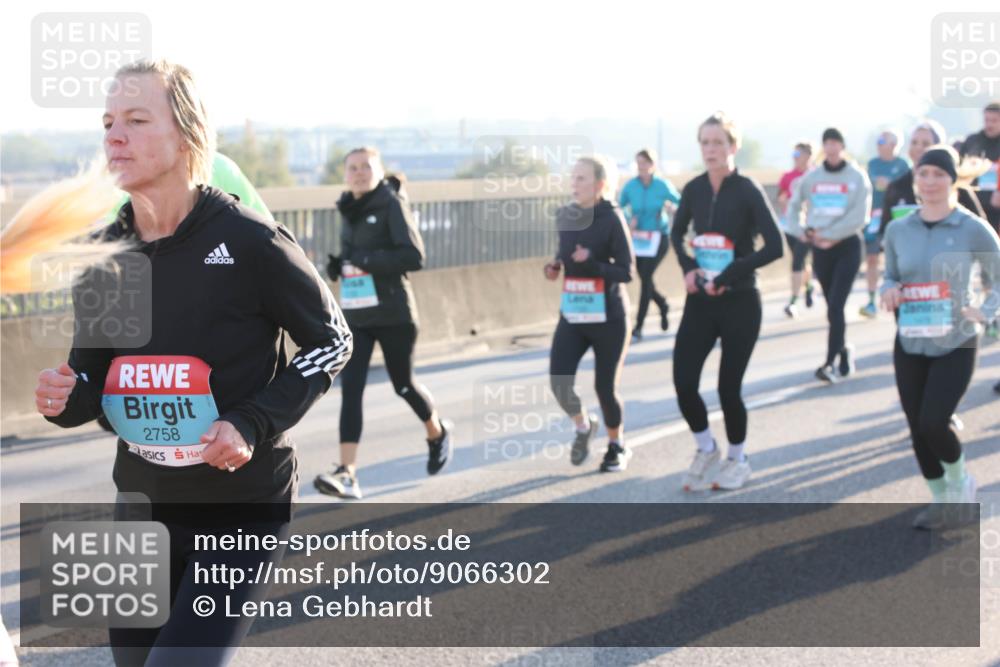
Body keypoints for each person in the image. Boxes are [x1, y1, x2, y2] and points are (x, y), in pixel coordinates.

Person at [34, 59, 353, 666]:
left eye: (134, 119)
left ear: (185, 135)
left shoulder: (249, 240)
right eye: (107, 123)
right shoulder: (107, 258)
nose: (113, 137)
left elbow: (332, 340)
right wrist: (64, 395)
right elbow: (93, 379)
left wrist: (251, 422)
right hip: (141, 508)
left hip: (237, 513)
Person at [314, 148, 451, 500]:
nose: (359, 173)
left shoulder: (391, 203)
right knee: (351, 389)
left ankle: (436, 432)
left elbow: (414, 256)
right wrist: (339, 265)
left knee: (403, 385)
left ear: (379, 170)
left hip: (394, 314)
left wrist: (363, 259)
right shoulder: (348, 206)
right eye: (353, 168)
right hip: (357, 316)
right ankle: (347, 473)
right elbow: (353, 256)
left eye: (366, 167)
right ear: (345, 174)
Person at [880, 145, 1000, 529]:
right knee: (916, 426)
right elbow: (891, 274)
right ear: (915, 179)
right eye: (924, 173)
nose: (930, 182)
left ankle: (959, 482)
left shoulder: (971, 227)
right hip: (911, 339)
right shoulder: (899, 229)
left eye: (939, 174)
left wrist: (986, 310)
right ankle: (940, 500)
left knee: (935, 421)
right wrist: (888, 289)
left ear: (953, 180)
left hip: (957, 339)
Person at [671, 113, 783, 491]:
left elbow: (775, 247)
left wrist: (730, 274)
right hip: (701, 299)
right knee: (684, 381)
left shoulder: (747, 190)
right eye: (704, 142)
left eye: (718, 142)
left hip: (740, 300)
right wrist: (689, 269)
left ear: (733, 147)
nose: (710, 150)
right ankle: (706, 448)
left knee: (727, 388)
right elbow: (676, 234)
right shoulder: (694, 189)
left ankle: (738, 458)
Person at [545, 156, 635, 472]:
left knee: (605, 388)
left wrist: (593, 261)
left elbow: (626, 272)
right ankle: (583, 426)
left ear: (599, 184)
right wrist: (555, 265)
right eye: (573, 177)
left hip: (609, 316)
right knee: (559, 380)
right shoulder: (565, 216)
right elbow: (564, 252)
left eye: (582, 178)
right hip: (574, 313)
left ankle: (616, 445)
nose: (575, 184)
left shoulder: (611, 218)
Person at [786, 128, 872, 383]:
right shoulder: (812, 178)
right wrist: (800, 231)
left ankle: (829, 362)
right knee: (832, 308)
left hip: (847, 246)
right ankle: (844, 349)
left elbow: (861, 216)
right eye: (828, 143)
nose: (832, 147)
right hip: (821, 250)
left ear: (842, 146)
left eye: (836, 143)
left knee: (836, 304)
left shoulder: (856, 177)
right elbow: (793, 206)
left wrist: (832, 234)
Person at [618, 149, 681, 339]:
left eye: (644, 163)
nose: (641, 167)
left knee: (646, 278)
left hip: (658, 237)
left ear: (652, 165)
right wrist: (630, 219)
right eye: (638, 163)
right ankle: (662, 304)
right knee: (643, 277)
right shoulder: (631, 186)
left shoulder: (662, 185)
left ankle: (639, 326)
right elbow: (620, 207)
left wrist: (670, 208)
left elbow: (681, 203)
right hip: (638, 239)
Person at [860, 129, 909, 318]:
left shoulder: (903, 165)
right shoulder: (872, 164)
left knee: (898, 260)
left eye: (883, 141)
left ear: (894, 145)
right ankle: (871, 301)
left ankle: (903, 295)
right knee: (871, 258)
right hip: (874, 218)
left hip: (896, 217)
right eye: (878, 141)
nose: (879, 145)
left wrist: (891, 185)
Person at [778, 142, 816, 318]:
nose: (795, 158)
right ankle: (808, 285)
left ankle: (792, 301)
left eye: (798, 154)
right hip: (789, 225)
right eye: (793, 154)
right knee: (799, 261)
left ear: (808, 156)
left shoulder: (816, 175)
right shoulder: (787, 176)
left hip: (808, 226)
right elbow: (781, 196)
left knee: (797, 261)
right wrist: (785, 201)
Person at [958, 101, 1000, 234]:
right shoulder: (972, 142)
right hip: (972, 205)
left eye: (994, 120)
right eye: (987, 120)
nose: (990, 124)